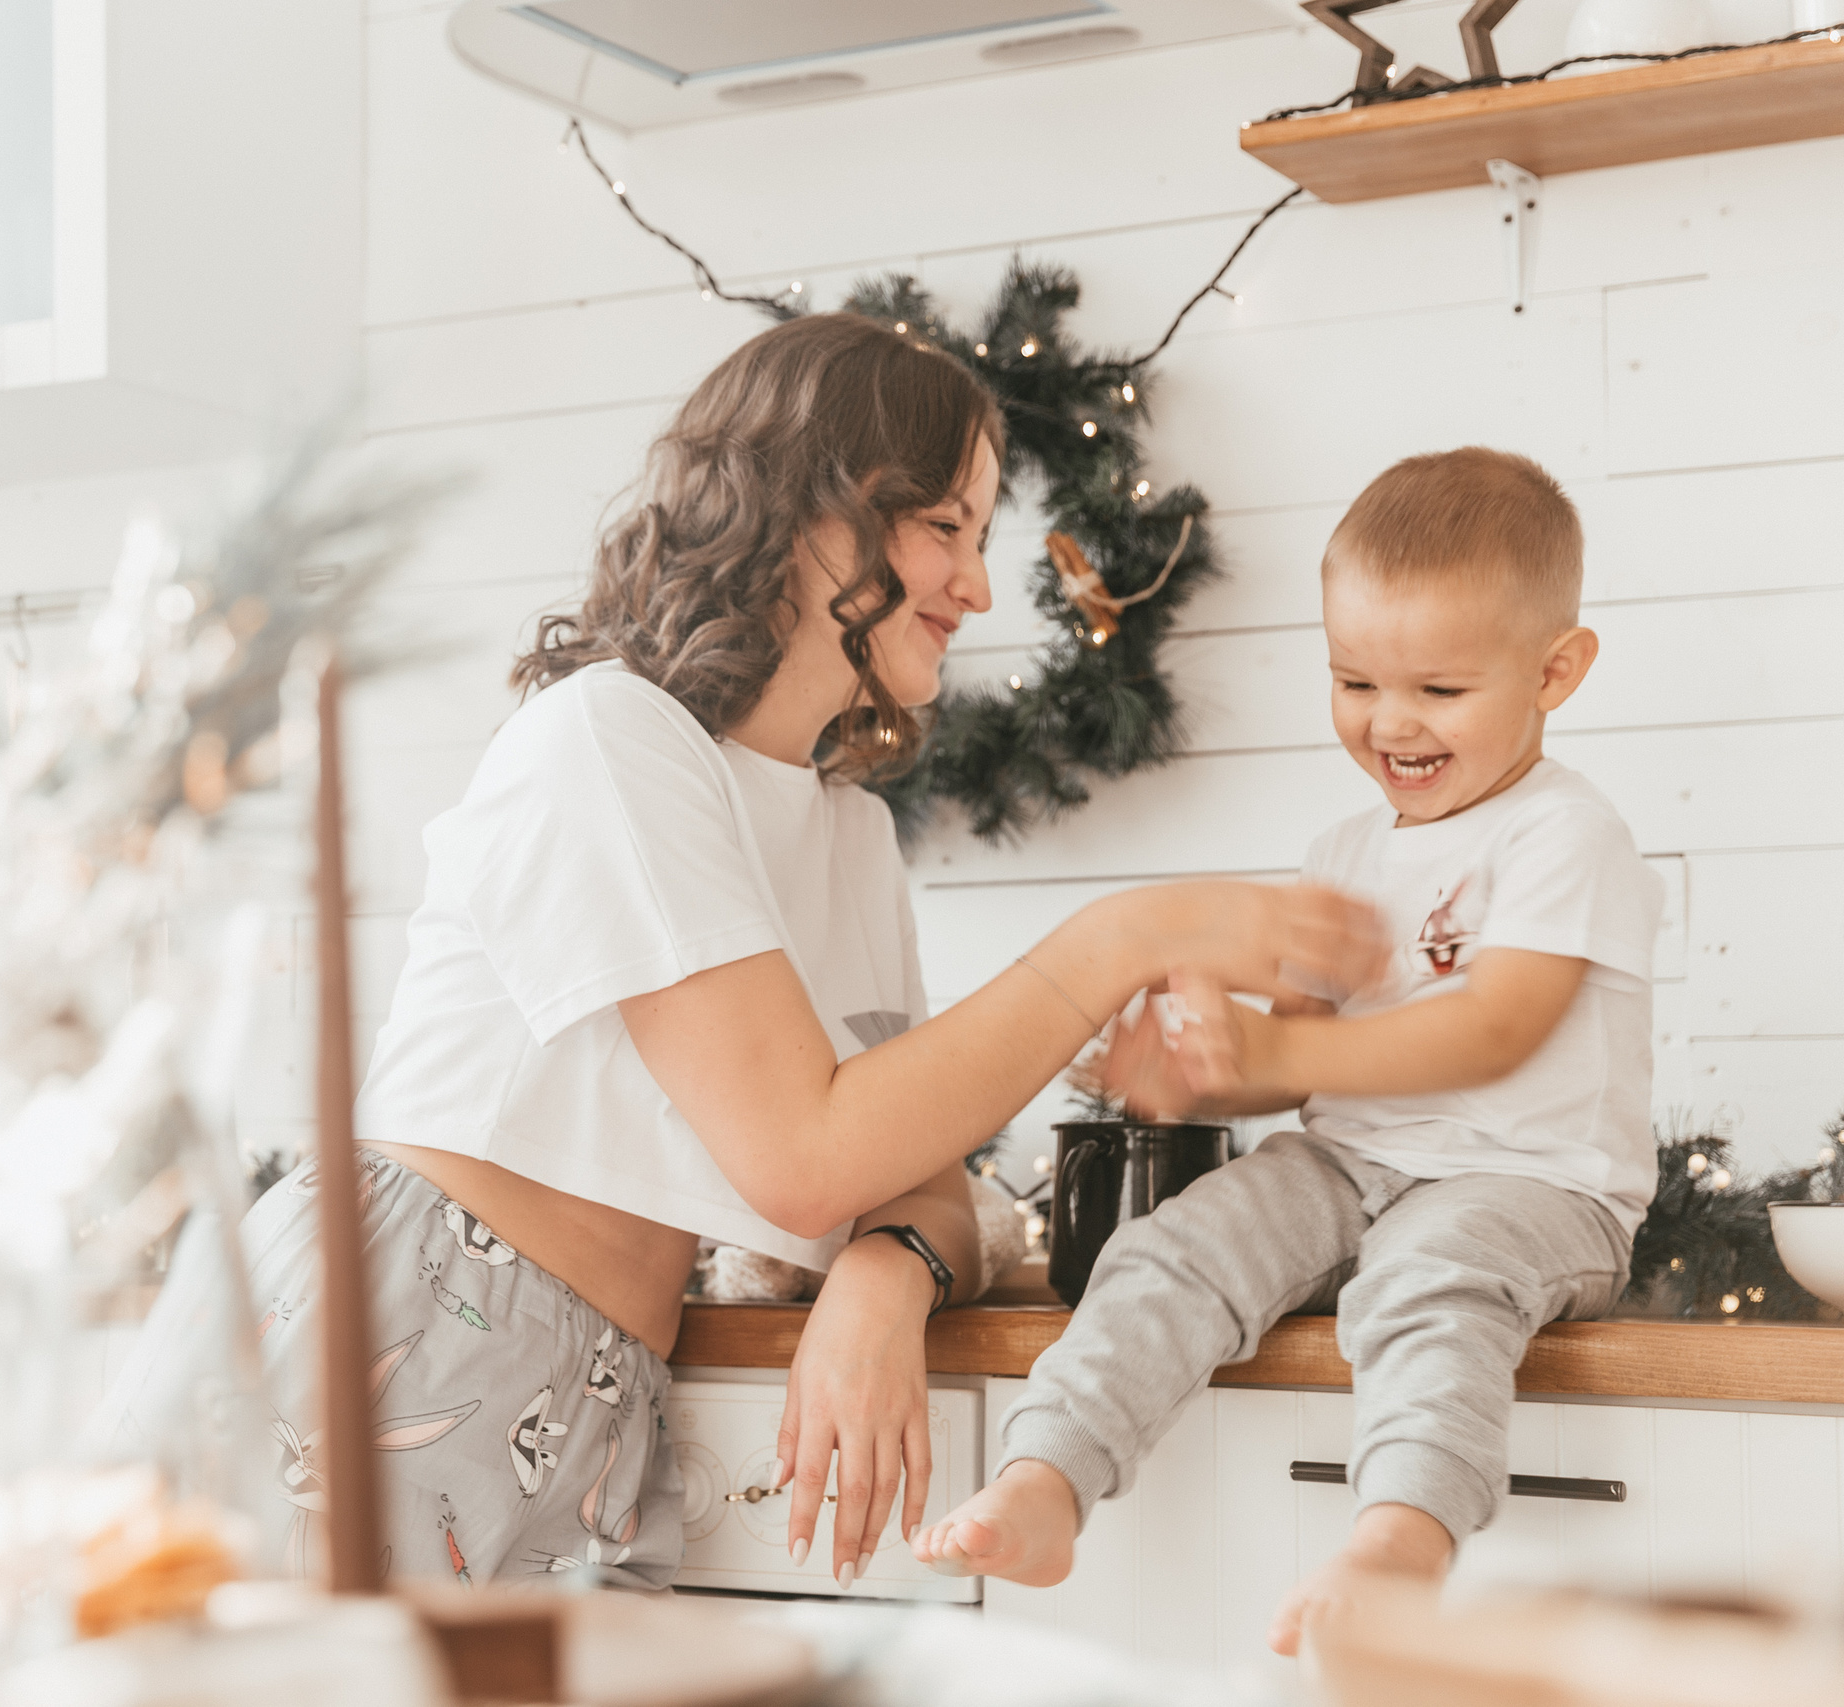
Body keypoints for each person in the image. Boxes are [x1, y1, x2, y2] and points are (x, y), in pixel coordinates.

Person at [231, 313, 1386, 1592]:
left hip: (604, 1385)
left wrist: (888, 1275)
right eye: (944, 527)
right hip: (406, 1322)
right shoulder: (610, 739)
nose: (978, 588)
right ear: (804, 510)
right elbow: (801, 1157)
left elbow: (918, 1176)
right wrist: (1127, 935)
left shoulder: (847, 837)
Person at [913, 447, 1661, 1655]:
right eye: (1353, 679)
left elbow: (1494, 1027)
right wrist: (1202, 1070)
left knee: (1431, 1275)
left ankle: (1401, 1537)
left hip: (1530, 1184)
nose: (1389, 721)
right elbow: (1303, 1060)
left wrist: (1267, 1043)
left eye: (1439, 689)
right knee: (1174, 1246)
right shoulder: (1344, 851)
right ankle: (1047, 1476)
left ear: (1554, 672)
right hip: (1349, 1166)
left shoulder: (1564, 833)